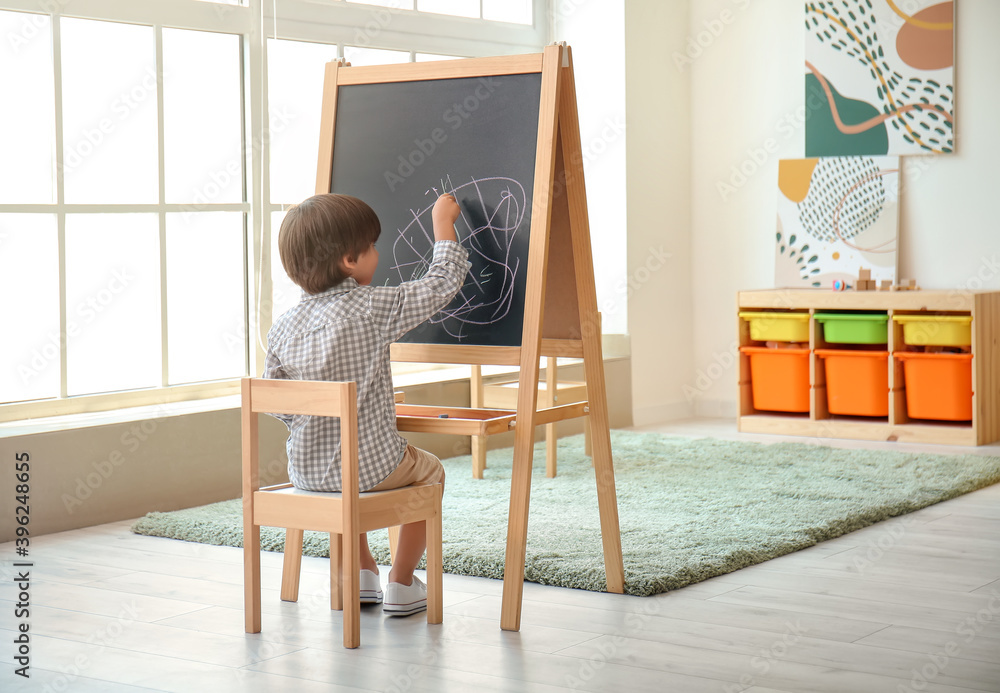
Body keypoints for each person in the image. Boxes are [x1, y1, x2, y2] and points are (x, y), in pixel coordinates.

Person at [263, 192, 469, 616]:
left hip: (307, 471)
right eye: (372, 247)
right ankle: (403, 581)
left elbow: (278, 401)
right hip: (373, 468)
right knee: (429, 472)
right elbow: (441, 284)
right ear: (349, 262)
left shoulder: (282, 327)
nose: (378, 252)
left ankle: (361, 574)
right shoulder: (372, 307)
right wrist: (443, 224)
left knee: (344, 480)